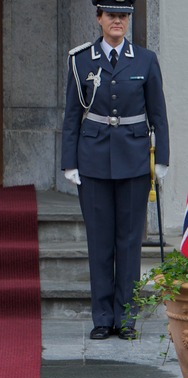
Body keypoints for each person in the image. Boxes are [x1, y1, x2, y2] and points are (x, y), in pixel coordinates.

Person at [61, 0, 169, 341]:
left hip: (135, 160)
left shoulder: (146, 60)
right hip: (92, 160)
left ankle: (127, 317)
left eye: (123, 16)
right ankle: (102, 317)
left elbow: (158, 114)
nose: (117, 21)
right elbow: (70, 116)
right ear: (99, 19)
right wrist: (69, 163)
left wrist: (161, 158)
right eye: (111, 16)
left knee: (129, 242)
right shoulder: (80, 60)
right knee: (100, 242)